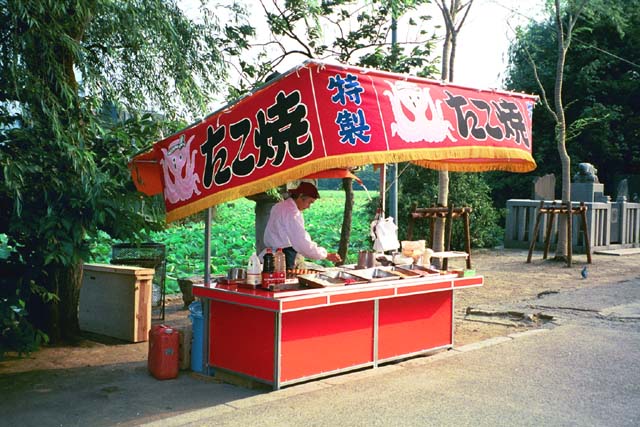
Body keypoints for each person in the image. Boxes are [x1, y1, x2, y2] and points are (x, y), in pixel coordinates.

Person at [263, 182, 342, 269]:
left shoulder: (280, 206)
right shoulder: (292, 213)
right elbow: (302, 243)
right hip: (284, 256)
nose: (308, 207)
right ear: (301, 196)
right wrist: (325, 255)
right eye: (309, 202)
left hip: (272, 253)